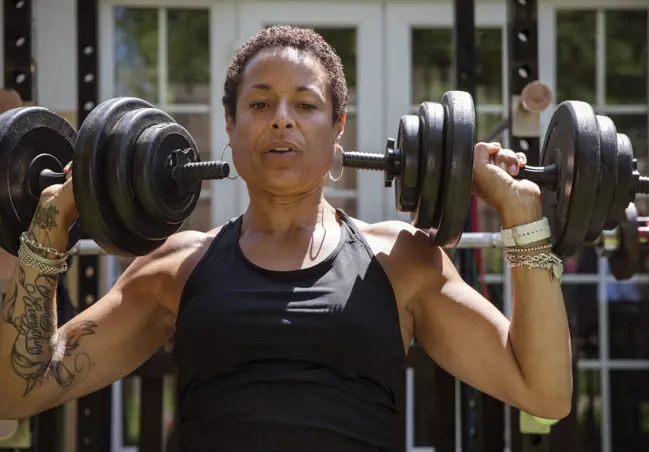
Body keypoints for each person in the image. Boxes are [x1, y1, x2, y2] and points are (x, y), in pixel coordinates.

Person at [0, 26, 572, 451]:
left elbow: (543, 391)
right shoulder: (177, 266)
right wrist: (49, 222)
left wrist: (524, 217)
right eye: (258, 103)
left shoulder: (400, 260)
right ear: (230, 125)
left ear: (338, 127)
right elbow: (20, 390)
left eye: (305, 104)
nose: (281, 120)